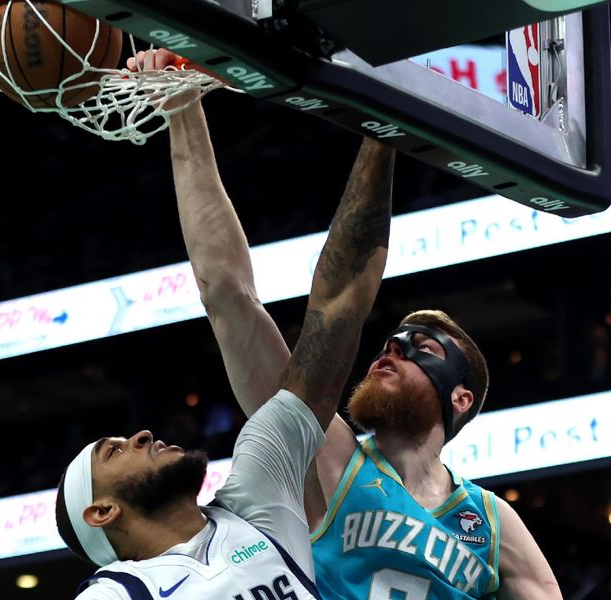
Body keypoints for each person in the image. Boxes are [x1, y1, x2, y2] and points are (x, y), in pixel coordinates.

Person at [151, 45, 563, 599]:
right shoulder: (326, 453)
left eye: (422, 348)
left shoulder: (491, 524)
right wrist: (183, 111)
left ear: (461, 398)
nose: (391, 349)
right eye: (391, 341)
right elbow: (228, 295)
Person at [52, 51, 394, 600]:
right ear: (102, 511)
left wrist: (384, 129)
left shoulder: (259, 496)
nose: (139, 434)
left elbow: (338, 307)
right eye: (114, 451)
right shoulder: (116, 593)